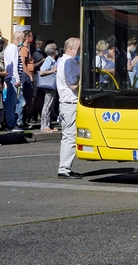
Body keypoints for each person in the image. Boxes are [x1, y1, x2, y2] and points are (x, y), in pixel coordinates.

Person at [56, 37, 81, 179]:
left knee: (67, 136)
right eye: (78, 48)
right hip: (70, 103)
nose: (80, 51)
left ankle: (65, 168)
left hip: (65, 103)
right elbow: (73, 84)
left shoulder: (62, 60)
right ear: (70, 49)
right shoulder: (69, 61)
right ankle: (64, 169)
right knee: (70, 137)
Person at [2, 30, 23, 131]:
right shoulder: (14, 48)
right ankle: (11, 123)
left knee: (11, 101)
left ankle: (9, 122)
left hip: (9, 76)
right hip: (13, 77)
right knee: (12, 101)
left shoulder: (8, 47)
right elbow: (14, 64)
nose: (22, 41)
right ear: (18, 39)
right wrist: (17, 79)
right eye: (22, 39)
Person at [37, 43, 59, 131]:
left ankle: (49, 124)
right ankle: (44, 125)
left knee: (51, 105)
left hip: (52, 86)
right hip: (49, 86)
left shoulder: (52, 60)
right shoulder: (49, 60)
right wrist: (53, 70)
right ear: (53, 51)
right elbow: (42, 71)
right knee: (47, 105)